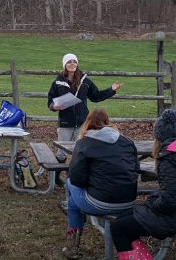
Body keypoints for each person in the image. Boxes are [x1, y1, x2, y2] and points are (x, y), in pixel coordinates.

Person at [109, 109, 176, 260]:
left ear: (158, 137)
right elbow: (171, 192)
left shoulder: (170, 159)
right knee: (122, 219)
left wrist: (152, 204)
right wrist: (153, 201)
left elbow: (168, 203)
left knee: (119, 228)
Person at [62, 108, 139, 260]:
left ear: (87, 123)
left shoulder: (84, 143)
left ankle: (73, 243)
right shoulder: (127, 142)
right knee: (74, 197)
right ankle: (73, 211)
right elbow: (135, 169)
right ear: (108, 122)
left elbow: (77, 179)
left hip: (100, 202)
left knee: (70, 184)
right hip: (129, 201)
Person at [47, 53, 123, 193]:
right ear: (64, 65)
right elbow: (50, 101)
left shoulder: (85, 81)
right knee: (62, 152)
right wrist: (53, 106)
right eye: (69, 62)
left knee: (80, 151)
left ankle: (76, 179)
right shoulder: (58, 82)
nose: (72, 64)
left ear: (77, 64)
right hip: (65, 122)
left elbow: (96, 96)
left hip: (83, 122)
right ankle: (57, 177)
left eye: (74, 62)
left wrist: (111, 90)